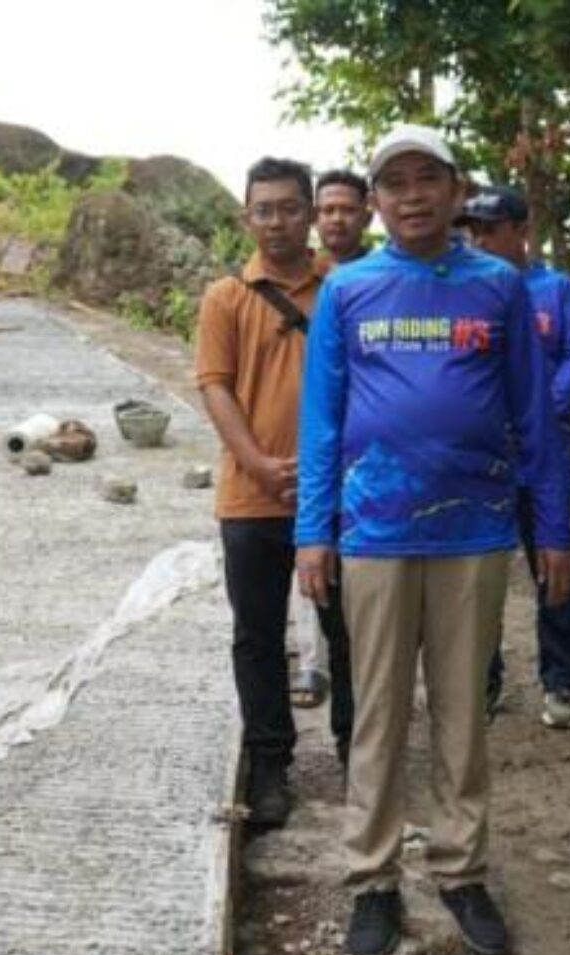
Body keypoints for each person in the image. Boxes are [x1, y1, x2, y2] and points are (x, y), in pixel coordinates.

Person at [296, 125, 570, 955]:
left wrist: (553, 527)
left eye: (428, 179)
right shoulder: (349, 292)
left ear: (457, 193)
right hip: (374, 535)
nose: (412, 195)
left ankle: (461, 870)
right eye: (395, 183)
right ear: (374, 202)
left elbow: (535, 417)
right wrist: (315, 531)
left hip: (477, 532)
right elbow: (322, 423)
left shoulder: (497, 288)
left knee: (463, 713)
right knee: (376, 712)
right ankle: (373, 881)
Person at [195, 157, 352, 827]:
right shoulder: (225, 296)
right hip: (251, 496)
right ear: (246, 217)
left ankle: (359, 754)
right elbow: (215, 384)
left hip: (338, 498)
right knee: (257, 636)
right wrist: (256, 462)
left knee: (354, 633)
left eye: (291, 207)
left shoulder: (347, 288)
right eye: (265, 210)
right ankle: (269, 766)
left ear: (312, 212)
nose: (278, 221)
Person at [456, 186, 570, 728]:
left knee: (553, 568)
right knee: (476, 575)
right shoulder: (467, 292)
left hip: (545, 455)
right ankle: (480, 681)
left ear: (521, 230)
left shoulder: (554, 289)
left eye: (492, 229)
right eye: (475, 231)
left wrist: (538, 412)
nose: (481, 240)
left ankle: (563, 681)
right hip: (485, 460)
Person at [287, 168, 372, 747]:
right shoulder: (302, 282)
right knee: (312, 589)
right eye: (327, 210)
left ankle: (356, 740)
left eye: (347, 208)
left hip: (367, 476)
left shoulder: (386, 281)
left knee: (358, 624)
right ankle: (313, 674)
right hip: (303, 464)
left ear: (368, 212)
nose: (336, 218)